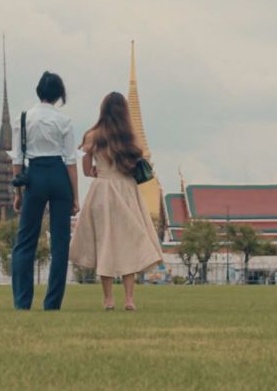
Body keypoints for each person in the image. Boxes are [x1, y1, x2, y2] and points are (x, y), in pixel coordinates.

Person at [70, 91, 163, 311]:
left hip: (102, 191)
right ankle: (129, 299)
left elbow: (85, 169)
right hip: (126, 190)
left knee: (106, 244)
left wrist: (98, 170)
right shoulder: (128, 137)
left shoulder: (92, 135)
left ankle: (108, 299)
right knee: (128, 243)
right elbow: (135, 165)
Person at [11, 72, 80, 311]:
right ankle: (52, 304)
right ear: (58, 95)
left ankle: (22, 302)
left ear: (38, 92)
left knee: (25, 242)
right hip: (59, 174)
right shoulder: (64, 121)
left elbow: (17, 159)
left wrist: (18, 194)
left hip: (35, 175)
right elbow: (71, 161)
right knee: (60, 243)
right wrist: (75, 196)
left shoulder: (23, 119)